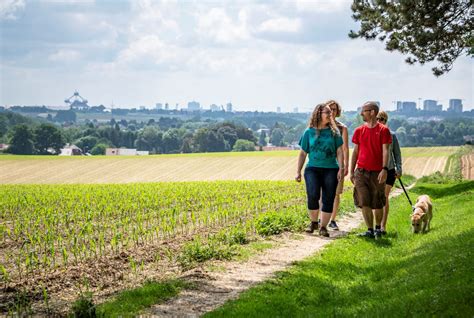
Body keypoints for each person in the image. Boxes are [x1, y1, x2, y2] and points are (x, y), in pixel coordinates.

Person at [296, 103, 344, 237]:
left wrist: (342, 167)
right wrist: (298, 171)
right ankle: (313, 222)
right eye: (327, 113)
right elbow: (303, 153)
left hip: (331, 169)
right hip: (312, 169)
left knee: (328, 198)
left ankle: (323, 227)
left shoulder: (334, 132)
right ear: (318, 114)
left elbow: (339, 151)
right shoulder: (308, 132)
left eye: (331, 113)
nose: (330, 115)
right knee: (312, 195)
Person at [350, 102, 392, 239]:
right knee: (364, 201)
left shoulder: (383, 130)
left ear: (372, 112)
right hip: (361, 172)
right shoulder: (358, 131)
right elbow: (355, 152)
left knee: (378, 202)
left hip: (377, 172)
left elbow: (386, 151)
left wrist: (384, 169)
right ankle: (369, 230)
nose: (361, 113)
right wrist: (351, 171)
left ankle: (378, 228)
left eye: (364, 111)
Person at [376, 111, 402, 235]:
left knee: (384, 196)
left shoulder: (392, 135)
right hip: (375, 170)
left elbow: (397, 154)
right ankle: (376, 224)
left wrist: (399, 168)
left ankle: (383, 226)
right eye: (378, 119)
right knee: (376, 197)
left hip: (390, 169)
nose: (380, 121)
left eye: (382, 119)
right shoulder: (373, 134)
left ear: (386, 121)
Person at [325, 100, 349, 231]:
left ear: (337, 111)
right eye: (330, 109)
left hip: (337, 165)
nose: (332, 112)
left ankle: (332, 220)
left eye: (334, 109)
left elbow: (345, 148)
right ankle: (321, 218)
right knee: (322, 193)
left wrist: (345, 165)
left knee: (336, 193)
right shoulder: (321, 126)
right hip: (323, 163)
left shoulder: (342, 128)